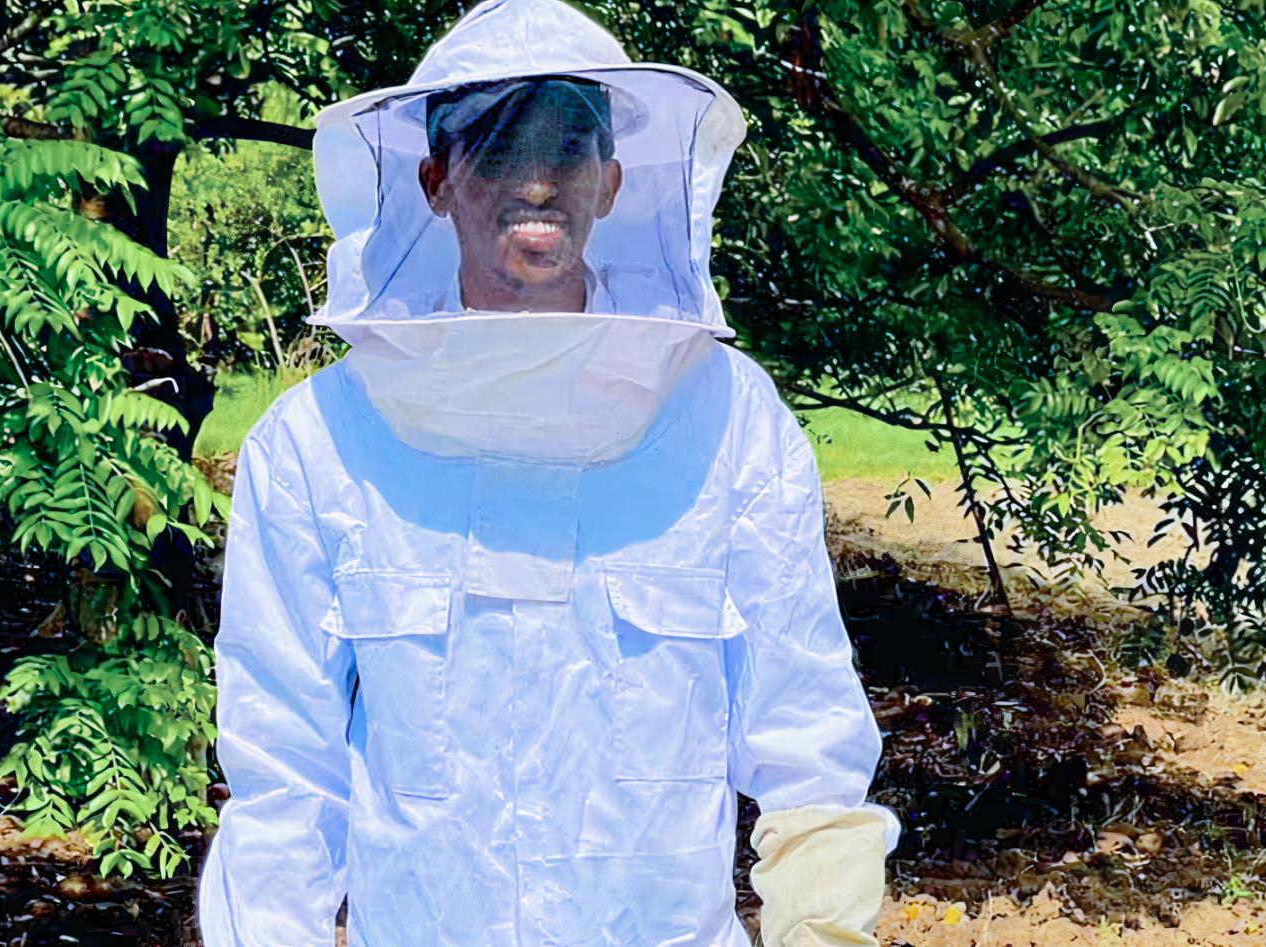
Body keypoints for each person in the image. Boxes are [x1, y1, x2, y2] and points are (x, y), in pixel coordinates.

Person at [196, 1, 901, 945]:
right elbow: (285, 778)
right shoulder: (318, 444)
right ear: (436, 179)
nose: (536, 181)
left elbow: (806, 738)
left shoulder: (727, 420)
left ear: (610, 181)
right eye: (498, 147)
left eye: (567, 147)